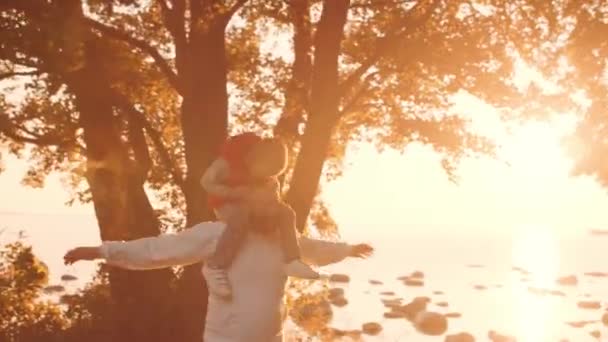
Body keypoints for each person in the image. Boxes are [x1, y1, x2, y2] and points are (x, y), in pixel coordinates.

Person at [64, 221, 373, 342]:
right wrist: (102, 251)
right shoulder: (215, 235)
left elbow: (314, 249)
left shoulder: (279, 235)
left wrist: (347, 249)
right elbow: (158, 251)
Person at [200, 132, 318, 299]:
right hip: (227, 204)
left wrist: (269, 204)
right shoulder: (226, 164)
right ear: (254, 159)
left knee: (286, 212)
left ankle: (291, 260)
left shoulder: (269, 176)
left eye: (273, 174)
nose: (268, 177)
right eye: (266, 172)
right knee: (241, 216)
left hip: (253, 204)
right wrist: (232, 193)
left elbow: (272, 196)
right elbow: (206, 182)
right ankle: (215, 266)